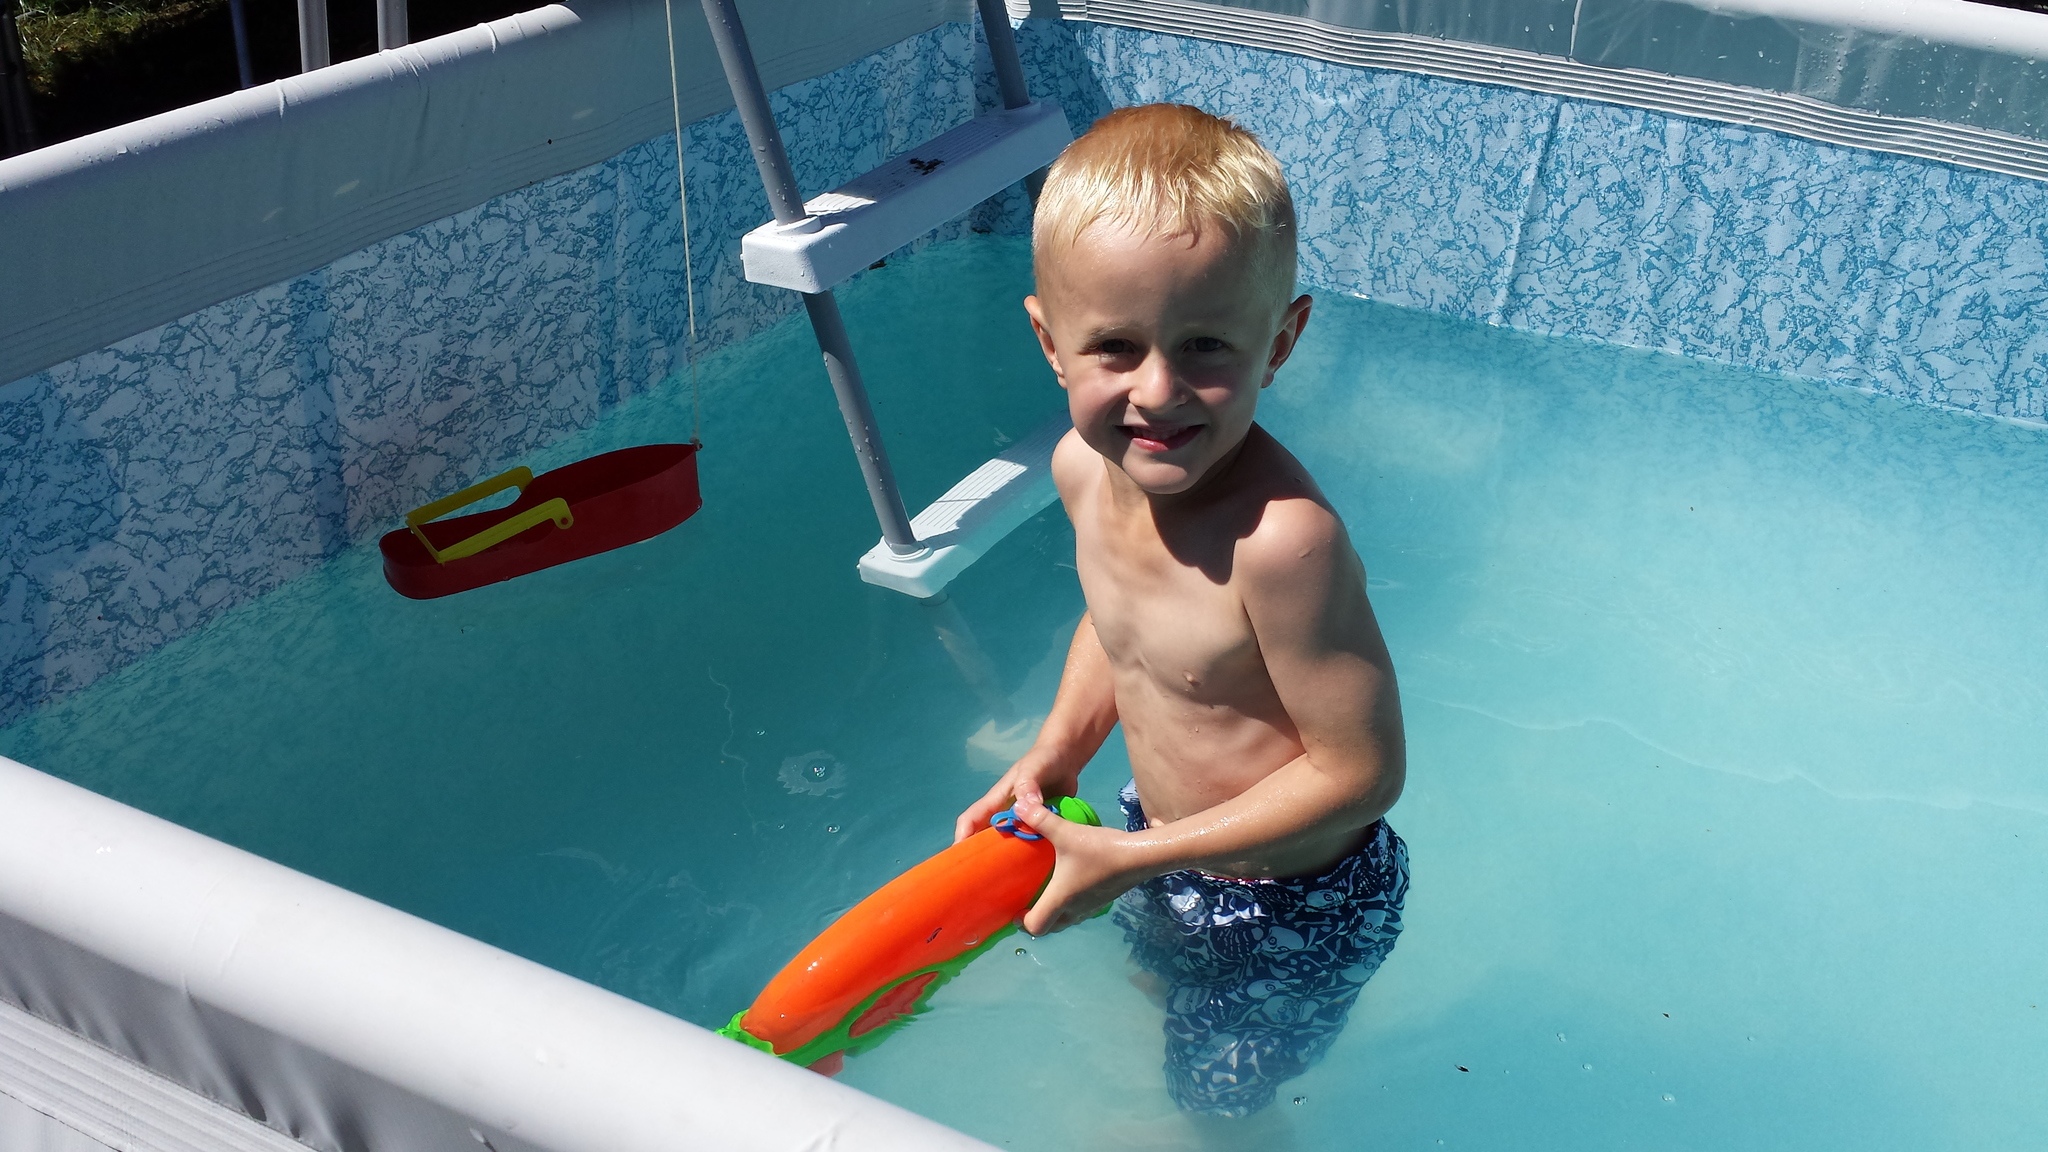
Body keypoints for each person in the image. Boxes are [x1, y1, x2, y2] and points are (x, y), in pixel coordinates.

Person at [953, 103, 1410, 1128]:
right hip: (1155, 839)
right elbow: (1117, 628)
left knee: (1217, 1102)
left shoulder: (1280, 545)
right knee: (1157, 992)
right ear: (1050, 342)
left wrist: (1138, 861)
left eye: (1205, 345)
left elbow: (1363, 773)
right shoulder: (1084, 470)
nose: (1157, 392)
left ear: (1279, 341)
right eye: (1114, 346)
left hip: (1296, 901)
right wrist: (1058, 752)